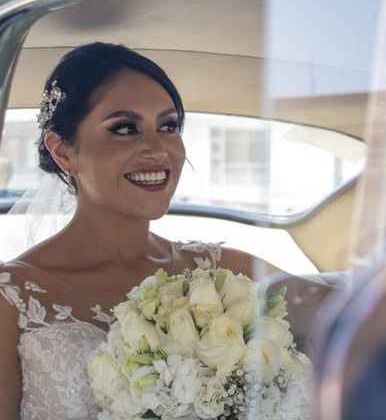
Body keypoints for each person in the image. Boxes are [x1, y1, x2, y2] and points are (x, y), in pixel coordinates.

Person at [0, 42, 327, 419]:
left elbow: (356, 313)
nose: (158, 149)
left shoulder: (220, 271)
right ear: (62, 151)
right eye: (125, 129)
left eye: (168, 126)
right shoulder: (12, 297)